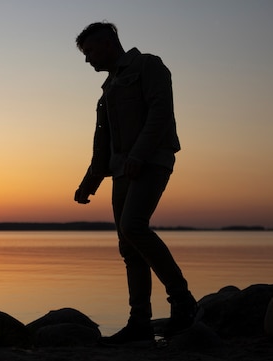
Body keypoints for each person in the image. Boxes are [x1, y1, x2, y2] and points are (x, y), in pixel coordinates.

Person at [73, 22, 197, 343]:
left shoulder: (148, 66)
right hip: (121, 170)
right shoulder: (108, 88)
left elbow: (160, 112)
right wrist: (90, 181)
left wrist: (140, 155)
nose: (88, 60)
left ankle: (183, 302)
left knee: (134, 227)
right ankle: (139, 321)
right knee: (128, 247)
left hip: (151, 160)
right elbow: (104, 141)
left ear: (109, 42)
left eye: (89, 52)